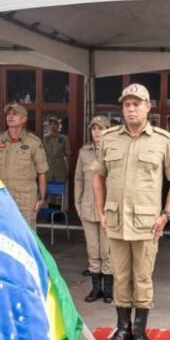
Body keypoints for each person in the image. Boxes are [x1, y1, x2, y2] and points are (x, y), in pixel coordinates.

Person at [91, 84, 170, 340]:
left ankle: (140, 330)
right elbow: (98, 175)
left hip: (147, 224)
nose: (131, 109)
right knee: (121, 277)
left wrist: (166, 214)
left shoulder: (162, 140)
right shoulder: (109, 139)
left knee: (142, 278)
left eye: (136, 104)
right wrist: (100, 210)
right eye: (126, 105)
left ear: (148, 107)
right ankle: (122, 329)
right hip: (116, 221)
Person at [0, 103, 48, 229]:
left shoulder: (33, 142)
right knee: (3, 236)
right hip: (3, 198)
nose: (10, 117)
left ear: (24, 119)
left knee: (26, 238)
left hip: (26, 201)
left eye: (15, 114)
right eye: (8, 114)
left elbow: (41, 172)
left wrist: (41, 199)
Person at [75, 116, 113, 304]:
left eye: (101, 128)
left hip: (107, 209)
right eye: (94, 128)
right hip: (88, 208)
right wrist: (78, 202)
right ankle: (95, 288)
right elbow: (78, 179)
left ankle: (108, 290)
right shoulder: (84, 153)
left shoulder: (113, 152)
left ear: (108, 130)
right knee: (93, 250)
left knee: (107, 251)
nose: (97, 132)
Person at [43, 117, 71, 183]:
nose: (52, 126)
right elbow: (42, 154)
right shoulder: (45, 138)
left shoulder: (64, 139)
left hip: (60, 169)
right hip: (48, 169)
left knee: (60, 190)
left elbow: (68, 155)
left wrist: (68, 169)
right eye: (51, 124)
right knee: (49, 191)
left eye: (54, 124)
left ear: (58, 126)